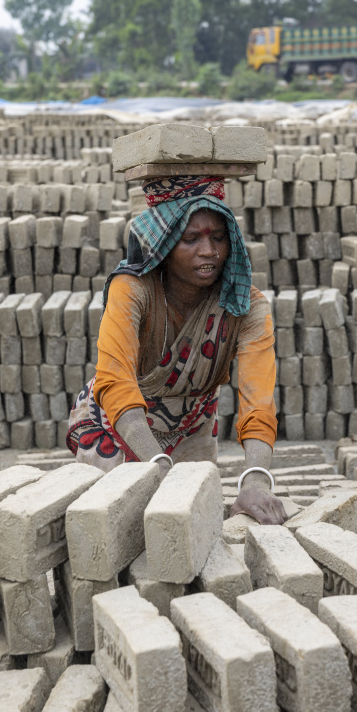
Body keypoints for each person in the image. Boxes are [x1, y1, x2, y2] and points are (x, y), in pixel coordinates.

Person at [67, 174, 287, 525]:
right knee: (111, 527)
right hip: (120, 423)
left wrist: (257, 480)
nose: (209, 251)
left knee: (188, 528)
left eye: (218, 237)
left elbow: (257, 402)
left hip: (193, 424)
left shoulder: (247, 308)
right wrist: (160, 467)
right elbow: (116, 381)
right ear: (164, 245)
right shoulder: (133, 290)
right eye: (191, 239)